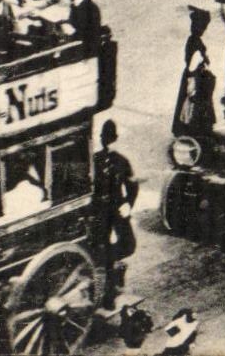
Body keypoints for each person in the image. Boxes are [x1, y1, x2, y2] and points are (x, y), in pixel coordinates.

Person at [91, 120, 139, 310]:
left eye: (110, 138)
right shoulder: (95, 160)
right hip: (100, 211)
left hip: (117, 209)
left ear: (114, 139)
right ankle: (109, 292)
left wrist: (128, 204)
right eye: (105, 138)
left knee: (129, 244)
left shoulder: (121, 161)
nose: (107, 142)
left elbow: (132, 186)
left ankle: (113, 264)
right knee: (102, 250)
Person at [172, 7, 216, 140]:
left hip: (192, 76)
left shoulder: (192, 40)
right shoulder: (196, 42)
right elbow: (192, 65)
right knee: (194, 104)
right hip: (195, 78)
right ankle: (195, 131)